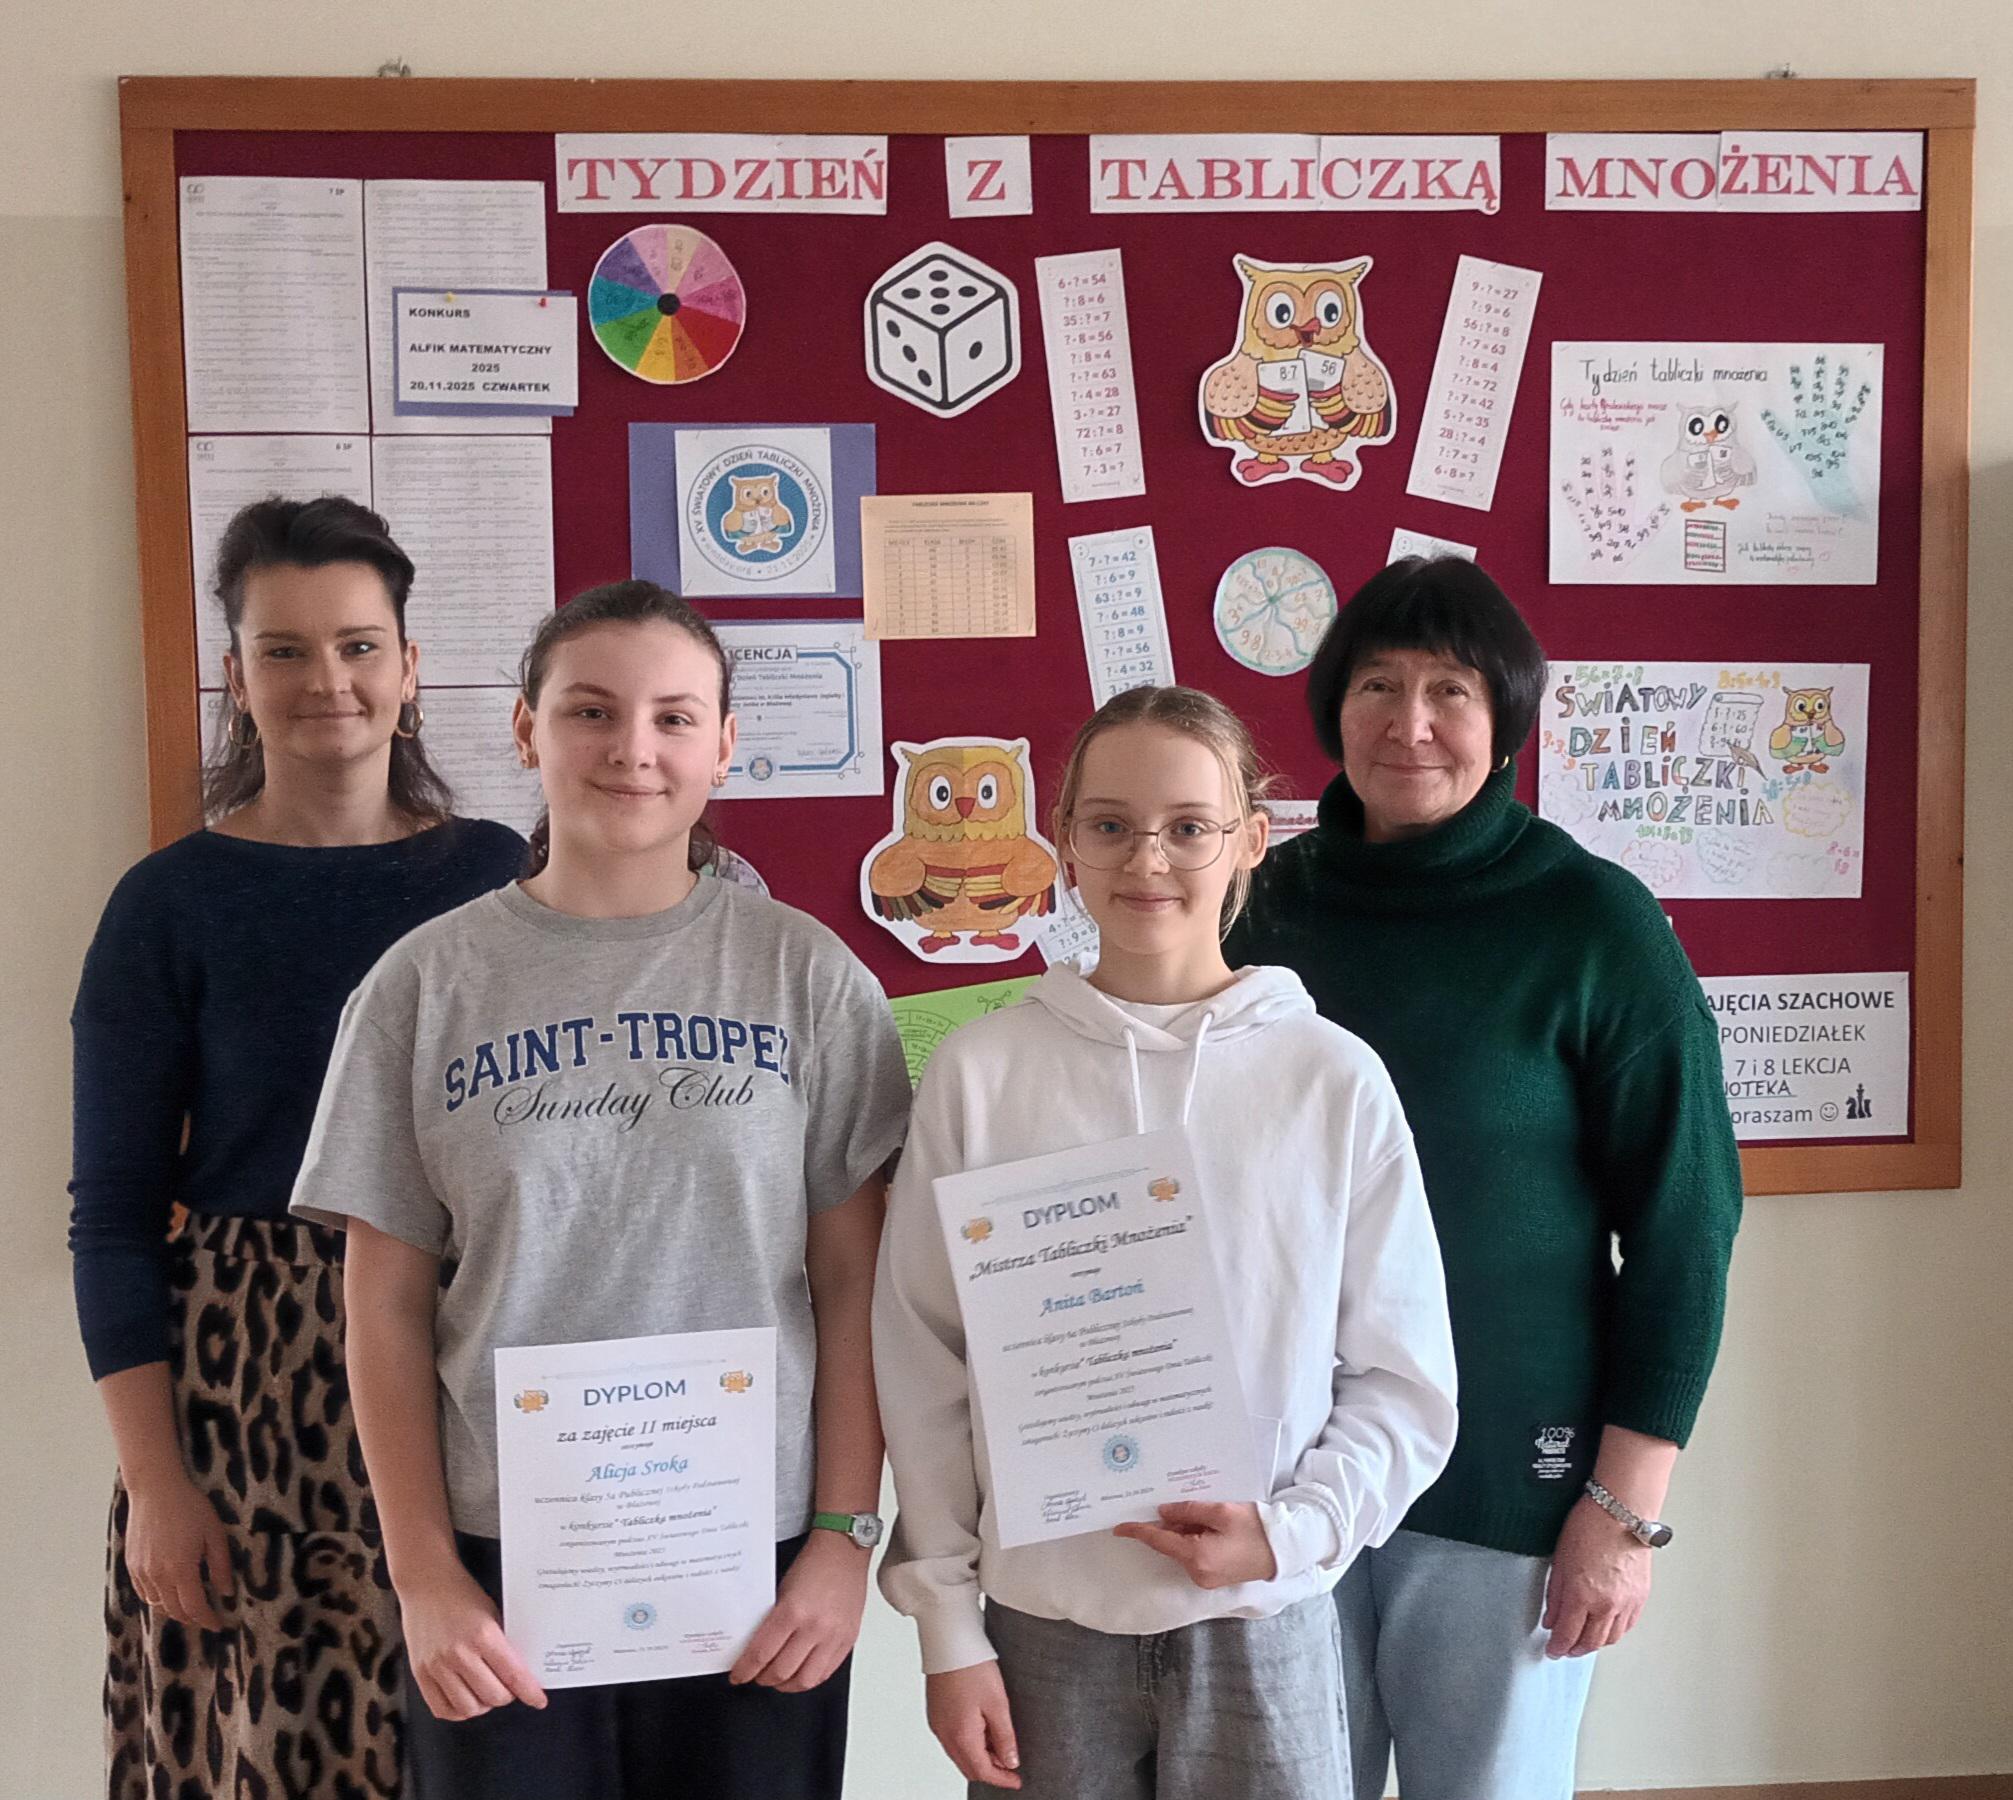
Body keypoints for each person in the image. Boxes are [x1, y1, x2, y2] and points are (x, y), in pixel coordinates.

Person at [289, 579, 911, 1800]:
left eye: (675, 718)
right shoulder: (421, 987)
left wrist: (845, 1542)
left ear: (724, 745)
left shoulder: (810, 979)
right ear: (527, 729)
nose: (634, 748)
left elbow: (855, 1284)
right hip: (501, 1574)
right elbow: (383, 1307)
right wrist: (423, 1575)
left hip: (755, 1563)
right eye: (591, 711)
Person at [874, 684, 1458, 1800]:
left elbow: (1404, 1378)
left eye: (1189, 827)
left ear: (1250, 840)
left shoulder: (1331, 1080)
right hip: (1042, 1621)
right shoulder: (981, 1074)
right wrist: (947, 1626)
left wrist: (1291, 1534)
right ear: (1064, 841)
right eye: (1111, 824)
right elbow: (923, 1357)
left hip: (1263, 1613)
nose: (1148, 859)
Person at [1227, 556, 1745, 1800]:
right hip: (1279, 1477)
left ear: (1506, 719)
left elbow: (1685, 1228)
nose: (1409, 724)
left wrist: (1623, 1510)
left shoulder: (1593, 924)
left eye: (1450, 691)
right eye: (1378, 686)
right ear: (1333, 708)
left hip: (1511, 1485)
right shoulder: (1256, 910)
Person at [69, 496, 526, 1799]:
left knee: (479, 1746)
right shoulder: (169, 905)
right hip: (252, 1386)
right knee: (267, 1750)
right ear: (237, 673)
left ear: (409, 666)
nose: (328, 679)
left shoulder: (496, 878)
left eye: (358, 644)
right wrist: (157, 1484)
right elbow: (112, 1217)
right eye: (284, 649)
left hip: (473, 1355)